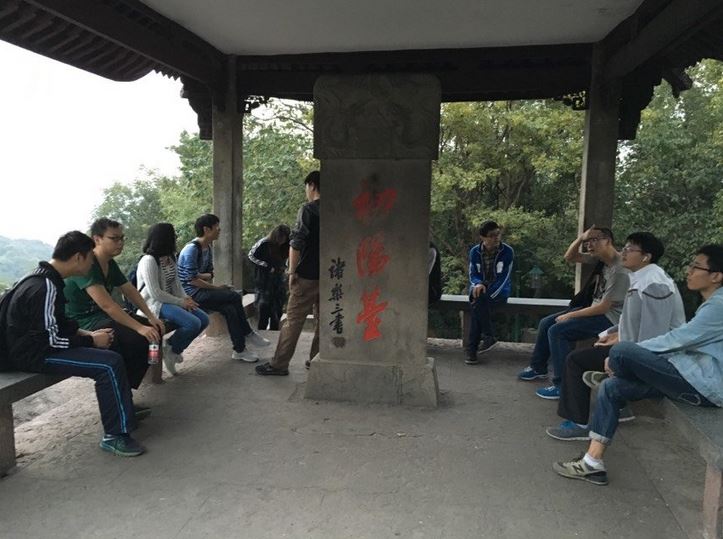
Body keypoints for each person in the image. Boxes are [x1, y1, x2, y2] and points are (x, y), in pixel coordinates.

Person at [553, 244, 723, 486]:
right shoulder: (709, 302)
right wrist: (617, 338)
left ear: (716, 276)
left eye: (696, 266)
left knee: (622, 352)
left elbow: (677, 339)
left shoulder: (715, 305)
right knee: (612, 388)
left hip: (704, 386)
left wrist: (623, 355)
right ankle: (592, 463)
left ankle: (617, 372)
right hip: (689, 374)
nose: (689, 271)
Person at [1, 231, 145, 456]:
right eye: (90, 258)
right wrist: (91, 340)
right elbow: (51, 340)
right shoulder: (45, 286)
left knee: (113, 347)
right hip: (35, 355)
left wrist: (90, 334)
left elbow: (60, 323)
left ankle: (124, 411)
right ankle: (115, 435)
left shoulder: (46, 279)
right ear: (78, 257)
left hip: (39, 347)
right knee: (108, 364)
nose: (92, 263)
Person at [545, 232, 685, 440]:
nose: (623, 252)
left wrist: (618, 355)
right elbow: (632, 321)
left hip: (657, 358)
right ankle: (619, 406)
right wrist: (611, 335)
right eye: (624, 247)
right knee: (590, 352)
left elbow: (655, 335)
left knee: (576, 360)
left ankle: (578, 423)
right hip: (635, 347)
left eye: (630, 249)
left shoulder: (655, 284)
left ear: (646, 257)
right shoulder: (641, 278)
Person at [517, 226, 629, 400]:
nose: (589, 245)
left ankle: (562, 385)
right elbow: (569, 257)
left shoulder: (619, 269)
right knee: (546, 322)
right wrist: (580, 238)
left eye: (593, 240)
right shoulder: (601, 259)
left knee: (557, 331)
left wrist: (570, 315)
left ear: (607, 241)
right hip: (595, 310)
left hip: (609, 319)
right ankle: (538, 368)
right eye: (587, 242)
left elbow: (604, 307)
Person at [64, 218, 165, 391]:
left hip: (103, 317)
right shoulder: (87, 264)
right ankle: (122, 389)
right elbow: (108, 305)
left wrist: (150, 317)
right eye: (114, 238)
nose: (120, 243)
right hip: (84, 323)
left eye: (122, 238)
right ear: (97, 239)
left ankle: (133, 380)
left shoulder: (109, 263)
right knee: (134, 338)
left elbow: (129, 290)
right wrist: (140, 328)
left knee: (155, 331)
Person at [177, 213, 269, 363]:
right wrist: (216, 287)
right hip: (191, 295)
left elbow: (209, 274)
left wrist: (203, 276)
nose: (219, 230)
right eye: (217, 227)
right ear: (206, 229)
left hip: (202, 291)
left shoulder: (208, 247)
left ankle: (239, 350)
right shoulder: (191, 250)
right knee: (234, 296)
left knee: (230, 309)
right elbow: (192, 281)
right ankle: (248, 333)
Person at [256, 171, 320, 376]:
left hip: (307, 276)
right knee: (325, 321)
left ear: (312, 185)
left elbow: (297, 242)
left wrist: (291, 271)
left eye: (306, 187)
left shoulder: (308, 209)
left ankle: (279, 364)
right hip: (332, 275)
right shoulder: (338, 210)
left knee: (293, 320)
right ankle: (317, 361)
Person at [136, 223, 209, 376]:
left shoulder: (170, 257)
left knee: (204, 319)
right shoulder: (149, 260)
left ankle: (172, 349)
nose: (176, 237)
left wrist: (186, 298)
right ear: (164, 238)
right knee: (193, 323)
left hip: (171, 301)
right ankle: (172, 350)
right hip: (154, 304)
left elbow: (176, 283)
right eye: (173, 234)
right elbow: (155, 293)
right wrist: (181, 302)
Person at [464, 221, 514, 365]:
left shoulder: (507, 251)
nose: (496, 238)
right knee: (478, 300)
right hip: (480, 288)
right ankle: (489, 336)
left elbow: (504, 278)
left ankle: (472, 350)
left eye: (498, 234)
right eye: (492, 235)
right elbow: (472, 274)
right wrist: (478, 284)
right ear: (483, 237)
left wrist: (489, 295)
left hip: (499, 291)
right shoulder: (475, 251)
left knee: (478, 303)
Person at [248, 224, 290, 330]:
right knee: (264, 308)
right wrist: (266, 266)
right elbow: (251, 256)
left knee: (277, 309)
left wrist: (286, 269)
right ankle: (262, 330)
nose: (282, 241)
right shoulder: (264, 243)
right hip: (263, 281)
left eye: (284, 239)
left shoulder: (286, 246)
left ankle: (274, 330)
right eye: (280, 238)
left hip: (278, 280)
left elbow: (288, 259)